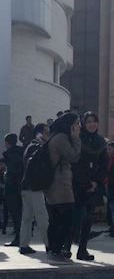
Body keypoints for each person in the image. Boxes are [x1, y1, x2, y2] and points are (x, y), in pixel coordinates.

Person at [45, 112, 81, 261]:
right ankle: (56, 250)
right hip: (60, 185)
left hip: (56, 184)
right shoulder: (61, 138)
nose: (79, 126)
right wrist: (76, 139)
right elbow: (74, 157)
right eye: (76, 123)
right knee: (64, 219)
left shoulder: (55, 136)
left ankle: (54, 249)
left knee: (56, 220)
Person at [71, 111, 107, 261]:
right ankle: (67, 247)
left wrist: (95, 181)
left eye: (94, 121)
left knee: (88, 219)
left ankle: (82, 249)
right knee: (76, 216)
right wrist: (86, 181)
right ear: (83, 124)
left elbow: (103, 164)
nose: (92, 124)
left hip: (93, 185)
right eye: (88, 121)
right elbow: (75, 163)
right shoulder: (78, 139)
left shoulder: (100, 142)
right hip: (78, 183)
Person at [19, 123, 50, 254]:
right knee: (42, 216)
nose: (48, 135)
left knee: (27, 217)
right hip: (35, 187)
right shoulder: (36, 147)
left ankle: (24, 244)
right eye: (46, 132)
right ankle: (49, 244)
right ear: (39, 133)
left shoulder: (29, 147)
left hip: (26, 186)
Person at [2, 134, 24, 246]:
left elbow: (12, 171)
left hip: (13, 187)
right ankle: (21, 237)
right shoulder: (22, 151)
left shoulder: (11, 155)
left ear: (7, 143)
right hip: (21, 186)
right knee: (20, 213)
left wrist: (7, 175)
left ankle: (19, 237)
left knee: (15, 213)